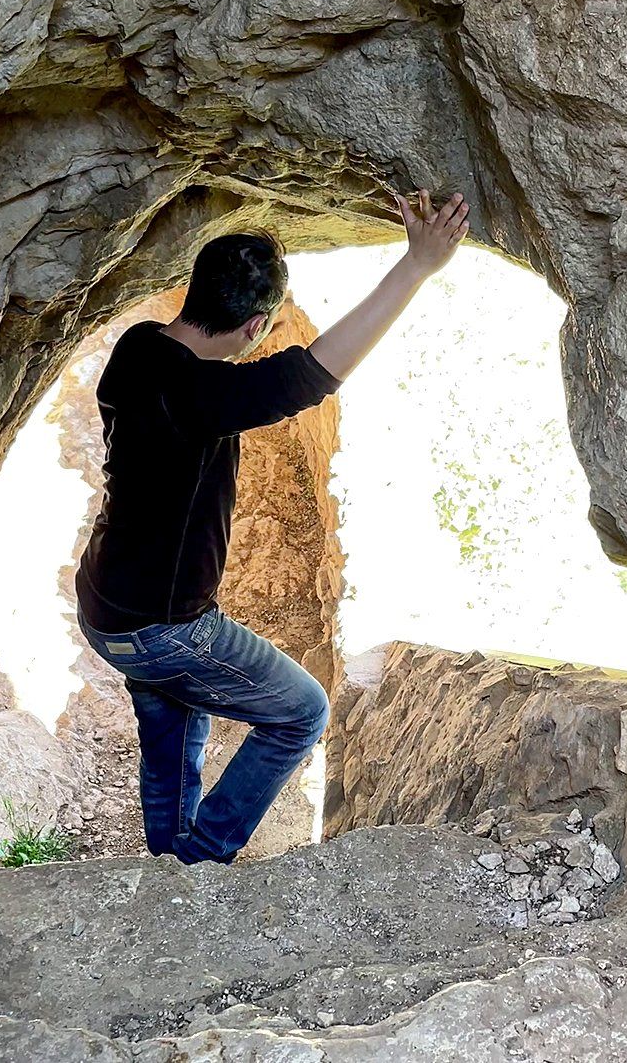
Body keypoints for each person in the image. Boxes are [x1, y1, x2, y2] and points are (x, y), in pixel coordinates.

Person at [75, 187, 471, 864]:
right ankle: (204, 860)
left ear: (191, 290)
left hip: (105, 602)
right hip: (162, 627)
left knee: (175, 719)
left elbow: (276, 379)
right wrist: (416, 267)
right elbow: (313, 374)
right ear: (257, 327)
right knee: (301, 712)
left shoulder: (138, 349)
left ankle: (170, 866)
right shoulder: (208, 398)